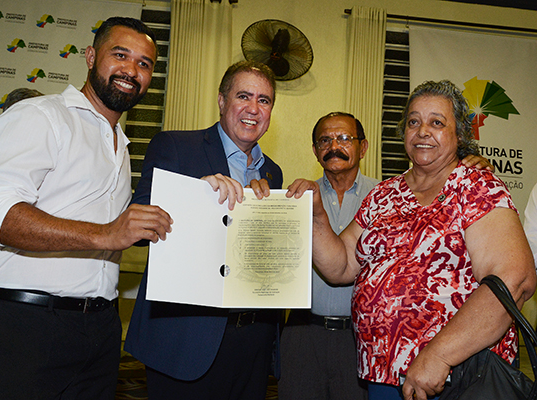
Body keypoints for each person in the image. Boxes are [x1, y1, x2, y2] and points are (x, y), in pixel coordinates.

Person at [285, 80, 536, 400]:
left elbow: (514, 279)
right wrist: (318, 215)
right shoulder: (383, 194)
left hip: (456, 376)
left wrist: (440, 355)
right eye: (413, 121)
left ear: (459, 134)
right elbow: (343, 265)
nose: (422, 130)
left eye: (436, 122)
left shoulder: (476, 185)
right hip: (382, 372)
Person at [0, 17, 174, 400]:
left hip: (100, 329)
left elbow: (119, 231)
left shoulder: (120, 142)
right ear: (90, 56)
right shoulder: (40, 116)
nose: (131, 71)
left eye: (144, 63)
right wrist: (107, 234)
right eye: (120, 55)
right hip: (26, 326)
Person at [125, 60, 284, 400]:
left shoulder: (273, 173)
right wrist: (195, 194)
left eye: (264, 100)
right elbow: (137, 229)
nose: (253, 109)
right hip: (186, 340)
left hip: (251, 343)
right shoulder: (175, 147)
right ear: (222, 100)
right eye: (244, 96)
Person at [278, 112, 374, 400]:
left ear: (363, 147)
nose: (334, 145)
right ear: (315, 151)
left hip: (360, 339)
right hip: (302, 335)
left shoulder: (384, 197)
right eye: (324, 140)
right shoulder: (295, 199)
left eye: (344, 138)